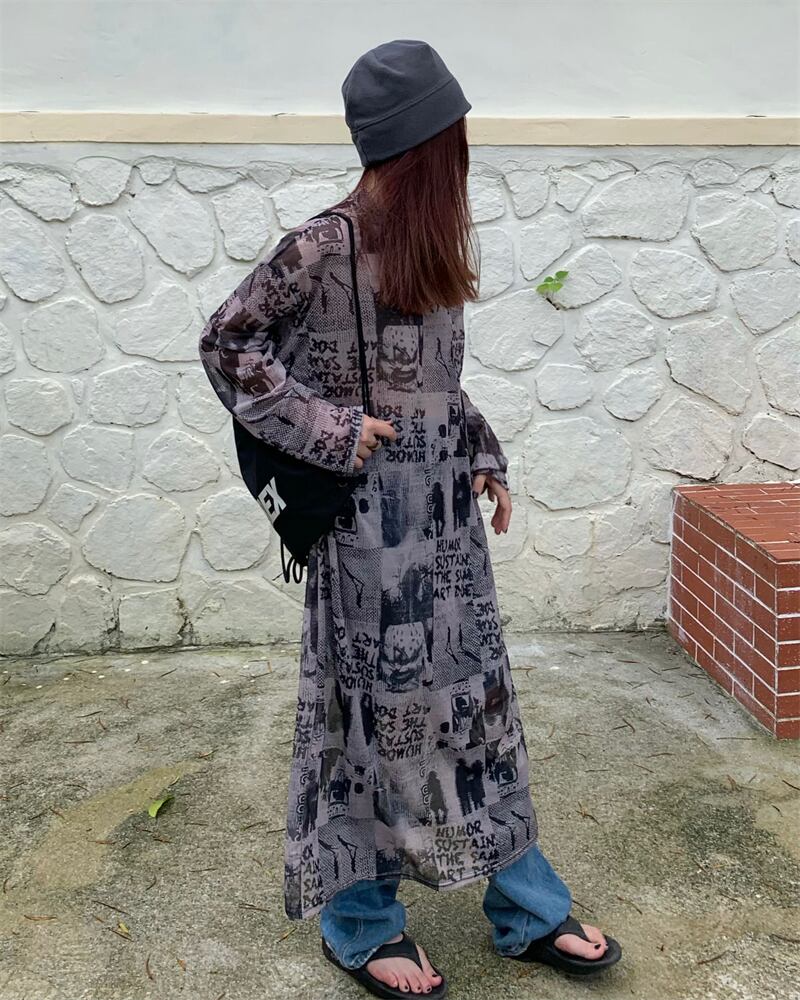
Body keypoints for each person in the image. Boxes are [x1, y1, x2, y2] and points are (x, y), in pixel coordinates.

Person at [198, 38, 621, 1000]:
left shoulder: (423, 247)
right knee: (367, 730)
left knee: (479, 718)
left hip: (447, 535)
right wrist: (332, 429)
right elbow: (225, 344)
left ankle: (526, 908)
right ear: (420, 146)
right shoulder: (319, 247)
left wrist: (482, 455)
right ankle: (360, 923)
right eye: (453, 141)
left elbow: (435, 387)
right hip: (362, 541)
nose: (463, 159)